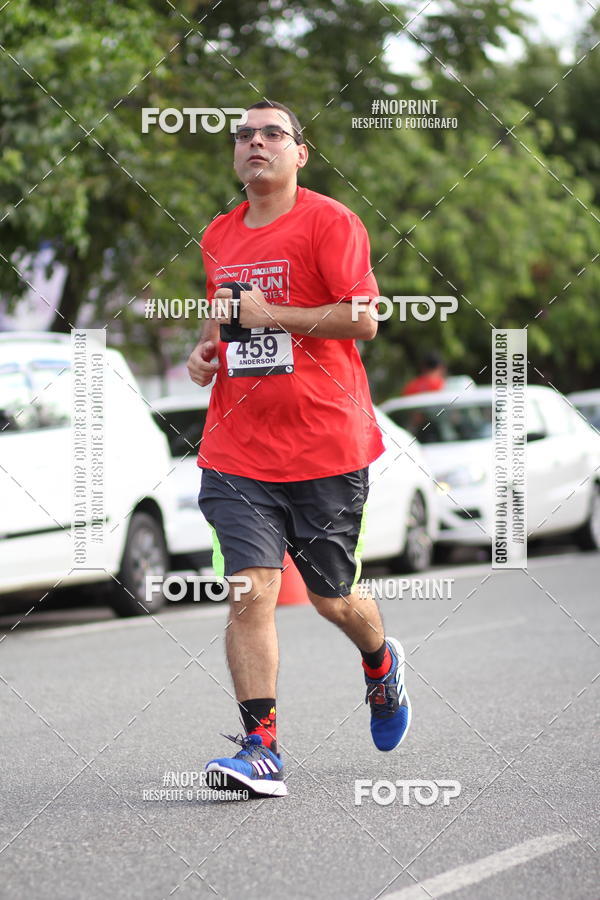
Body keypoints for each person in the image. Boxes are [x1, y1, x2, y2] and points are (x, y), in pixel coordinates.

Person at [187, 100, 411, 798]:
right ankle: (262, 749)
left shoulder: (330, 222)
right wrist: (205, 351)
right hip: (237, 448)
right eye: (245, 136)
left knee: (332, 598)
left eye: (273, 134)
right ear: (235, 154)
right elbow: (224, 317)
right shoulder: (219, 235)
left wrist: (273, 314)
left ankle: (380, 661)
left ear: (298, 153)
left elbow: (364, 319)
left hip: (326, 445)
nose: (257, 143)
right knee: (249, 591)